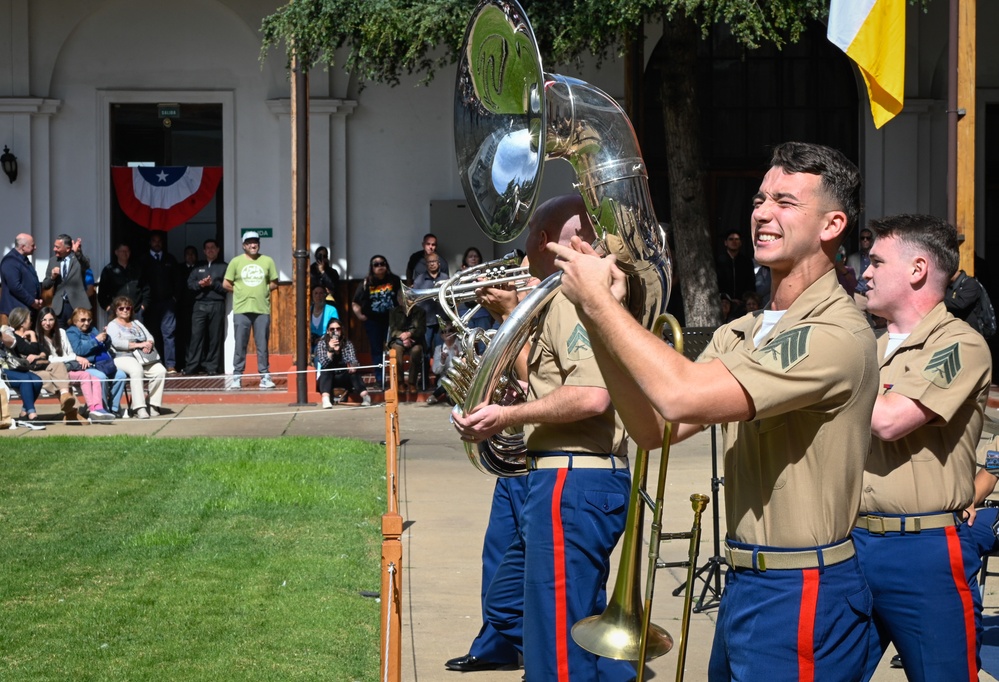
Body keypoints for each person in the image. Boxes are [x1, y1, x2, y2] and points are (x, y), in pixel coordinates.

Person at [552, 142, 878, 681]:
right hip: (746, 579)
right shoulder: (741, 331)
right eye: (759, 198)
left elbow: (683, 394)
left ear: (832, 225)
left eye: (786, 203)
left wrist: (603, 305)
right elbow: (656, 428)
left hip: (802, 589)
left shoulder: (834, 333)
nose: (762, 214)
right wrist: (595, 321)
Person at [452, 195, 635, 682]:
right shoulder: (557, 297)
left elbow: (592, 396)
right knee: (532, 613)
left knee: (557, 648)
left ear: (541, 239)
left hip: (573, 477)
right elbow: (549, 377)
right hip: (560, 475)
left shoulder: (575, 298)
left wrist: (504, 414)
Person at [851, 214, 991, 681]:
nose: (864, 272)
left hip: (923, 550)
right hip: (851, 543)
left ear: (916, 270)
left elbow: (891, 420)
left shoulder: (959, 344)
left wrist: (823, 379)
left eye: (876, 261)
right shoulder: (864, 348)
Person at [36, 306, 115, 422]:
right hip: (55, 372)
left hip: (69, 368)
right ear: (39, 321)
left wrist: (74, 358)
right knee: (86, 376)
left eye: (51, 319)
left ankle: (98, 408)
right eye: (44, 320)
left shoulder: (61, 333)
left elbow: (70, 352)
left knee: (96, 379)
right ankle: (93, 409)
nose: (48, 323)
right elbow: (50, 359)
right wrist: (75, 357)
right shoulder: (37, 337)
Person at [5, 306, 83, 422]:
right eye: (28, 319)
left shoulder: (31, 335)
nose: (31, 321)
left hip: (41, 366)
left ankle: (65, 395)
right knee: (51, 378)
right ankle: (72, 411)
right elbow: (30, 349)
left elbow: (44, 352)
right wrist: (32, 336)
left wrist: (37, 355)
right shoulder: (15, 338)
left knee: (59, 366)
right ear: (22, 323)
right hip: (29, 371)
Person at [224, 231, 279, 390]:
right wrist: (240, 290)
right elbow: (226, 284)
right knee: (240, 344)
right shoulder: (236, 262)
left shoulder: (267, 261)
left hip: (262, 309)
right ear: (244, 245)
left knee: (262, 345)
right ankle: (237, 377)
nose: (252, 245)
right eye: (249, 242)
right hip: (241, 309)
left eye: (255, 242)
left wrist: (261, 290)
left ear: (259, 244)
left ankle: (265, 376)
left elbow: (274, 283)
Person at [106, 295, 167, 419]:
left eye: (128, 308)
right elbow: (117, 343)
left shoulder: (136, 323)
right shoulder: (112, 325)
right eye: (121, 308)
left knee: (160, 370)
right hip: (122, 356)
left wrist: (149, 344)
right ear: (116, 310)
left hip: (142, 356)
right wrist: (139, 344)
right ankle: (139, 407)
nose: (125, 311)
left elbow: (149, 337)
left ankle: (153, 404)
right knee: (136, 370)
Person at [66, 307, 127, 419]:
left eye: (89, 320)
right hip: (87, 365)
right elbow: (78, 350)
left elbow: (105, 346)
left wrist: (106, 336)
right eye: (83, 320)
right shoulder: (71, 332)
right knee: (101, 378)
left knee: (121, 375)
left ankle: (113, 408)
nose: (87, 323)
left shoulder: (93, 329)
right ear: (75, 321)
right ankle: (101, 408)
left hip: (103, 364)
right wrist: (96, 340)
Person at [351, 255, 402, 385]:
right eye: (376, 264)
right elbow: (355, 303)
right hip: (373, 321)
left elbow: (402, 298)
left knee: (394, 348)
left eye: (382, 263)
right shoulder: (366, 282)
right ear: (372, 267)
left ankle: (395, 378)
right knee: (376, 350)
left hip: (392, 320)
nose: (380, 266)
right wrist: (360, 316)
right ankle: (380, 379)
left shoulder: (394, 280)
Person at [184, 239, 228, 376]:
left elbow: (227, 287)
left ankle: (212, 367)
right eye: (207, 248)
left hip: (217, 304)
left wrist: (213, 284)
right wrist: (200, 285)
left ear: (218, 249)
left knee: (215, 337)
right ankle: (192, 366)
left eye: (213, 247)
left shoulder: (224, 266)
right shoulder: (198, 266)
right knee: (196, 336)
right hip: (200, 305)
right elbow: (189, 284)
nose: (210, 250)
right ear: (204, 251)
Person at [139, 230, 179, 373]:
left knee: (169, 334)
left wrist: (175, 297)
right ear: (150, 242)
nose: (157, 243)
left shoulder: (170, 259)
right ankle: (156, 364)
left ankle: (170, 365)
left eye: (159, 241)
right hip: (150, 304)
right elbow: (139, 282)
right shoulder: (142, 260)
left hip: (167, 302)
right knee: (152, 335)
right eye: (154, 241)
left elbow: (177, 280)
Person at [314, 319, 371, 408]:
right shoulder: (322, 344)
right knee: (326, 370)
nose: (335, 331)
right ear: (328, 331)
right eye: (332, 329)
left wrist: (353, 366)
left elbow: (353, 360)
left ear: (341, 330)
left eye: (338, 329)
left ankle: (365, 397)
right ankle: (325, 399)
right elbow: (323, 362)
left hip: (344, 376)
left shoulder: (347, 344)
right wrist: (330, 350)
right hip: (329, 377)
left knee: (354, 373)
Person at [41, 233, 91, 328]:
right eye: (54, 246)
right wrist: (52, 277)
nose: (54, 249)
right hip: (59, 306)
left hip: (77, 305)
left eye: (57, 247)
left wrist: (78, 253)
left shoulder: (78, 259)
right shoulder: (53, 261)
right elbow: (45, 285)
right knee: (60, 336)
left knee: (78, 333)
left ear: (67, 249)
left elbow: (86, 265)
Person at [0, 318, 44, 424]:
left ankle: (24, 413)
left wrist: (1, 335)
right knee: (26, 379)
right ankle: (32, 415)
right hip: (2, 371)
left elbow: (13, 342)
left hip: (12, 367)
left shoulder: (4, 331)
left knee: (37, 380)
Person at [387, 294, 426, 395]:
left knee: (417, 351)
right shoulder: (393, 312)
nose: (405, 301)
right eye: (402, 298)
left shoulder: (420, 312)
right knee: (396, 350)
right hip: (399, 340)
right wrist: (403, 336)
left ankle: (412, 382)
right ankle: (400, 382)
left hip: (416, 340)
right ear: (399, 300)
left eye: (408, 298)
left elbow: (422, 329)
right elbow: (393, 329)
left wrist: (410, 334)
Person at [0, 233, 43, 326]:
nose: (35, 247)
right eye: (32, 245)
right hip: (16, 314)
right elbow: (15, 286)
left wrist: (38, 300)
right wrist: (32, 301)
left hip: (26, 310)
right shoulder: (10, 261)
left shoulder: (24, 260)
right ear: (23, 247)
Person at [98, 242, 147, 318]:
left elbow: (146, 288)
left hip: (136, 311)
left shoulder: (137, 269)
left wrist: (144, 305)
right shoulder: (109, 270)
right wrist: (107, 307)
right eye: (122, 251)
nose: (125, 253)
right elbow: (102, 291)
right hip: (116, 312)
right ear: (116, 252)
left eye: (127, 251)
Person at [412, 252, 449, 353]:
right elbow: (416, 300)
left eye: (434, 261)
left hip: (442, 320)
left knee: (441, 349)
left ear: (439, 263)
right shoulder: (419, 280)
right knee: (425, 349)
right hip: (426, 321)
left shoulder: (445, 278)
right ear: (426, 264)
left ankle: (440, 369)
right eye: (429, 262)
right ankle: (424, 369)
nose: (432, 264)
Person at [459, 247, 495, 332]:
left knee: (483, 342)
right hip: (465, 312)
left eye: (475, 256)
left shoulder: (485, 274)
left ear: (479, 259)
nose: (473, 258)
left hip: (482, 311)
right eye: (470, 256)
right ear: (466, 259)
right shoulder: (459, 274)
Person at [716, 229, 755, 301]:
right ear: (725, 243)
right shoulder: (718, 261)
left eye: (737, 239)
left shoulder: (746, 262)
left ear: (740, 243)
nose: (734, 242)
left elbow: (751, 283)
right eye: (731, 239)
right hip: (724, 302)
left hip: (743, 303)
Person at [848, 226, 874, 309]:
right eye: (863, 238)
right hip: (858, 296)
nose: (865, 240)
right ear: (860, 241)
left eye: (868, 238)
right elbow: (848, 279)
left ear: (871, 241)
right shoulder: (852, 259)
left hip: (874, 295)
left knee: (877, 322)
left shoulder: (877, 258)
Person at [310, 246, 341, 314]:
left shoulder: (332, 272)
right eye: (320, 256)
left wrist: (323, 272)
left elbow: (333, 286)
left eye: (324, 256)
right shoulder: (310, 271)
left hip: (328, 302)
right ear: (316, 257)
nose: (322, 258)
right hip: (313, 303)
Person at [309, 284, 339, 352]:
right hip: (310, 342)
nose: (318, 296)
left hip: (326, 341)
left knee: (319, 350)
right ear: (312, 296)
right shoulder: (308, 310)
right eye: (316, 293)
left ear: (325, 295)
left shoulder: (332, 310)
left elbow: (335, 329)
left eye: (321, 293)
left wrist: (323, 339)